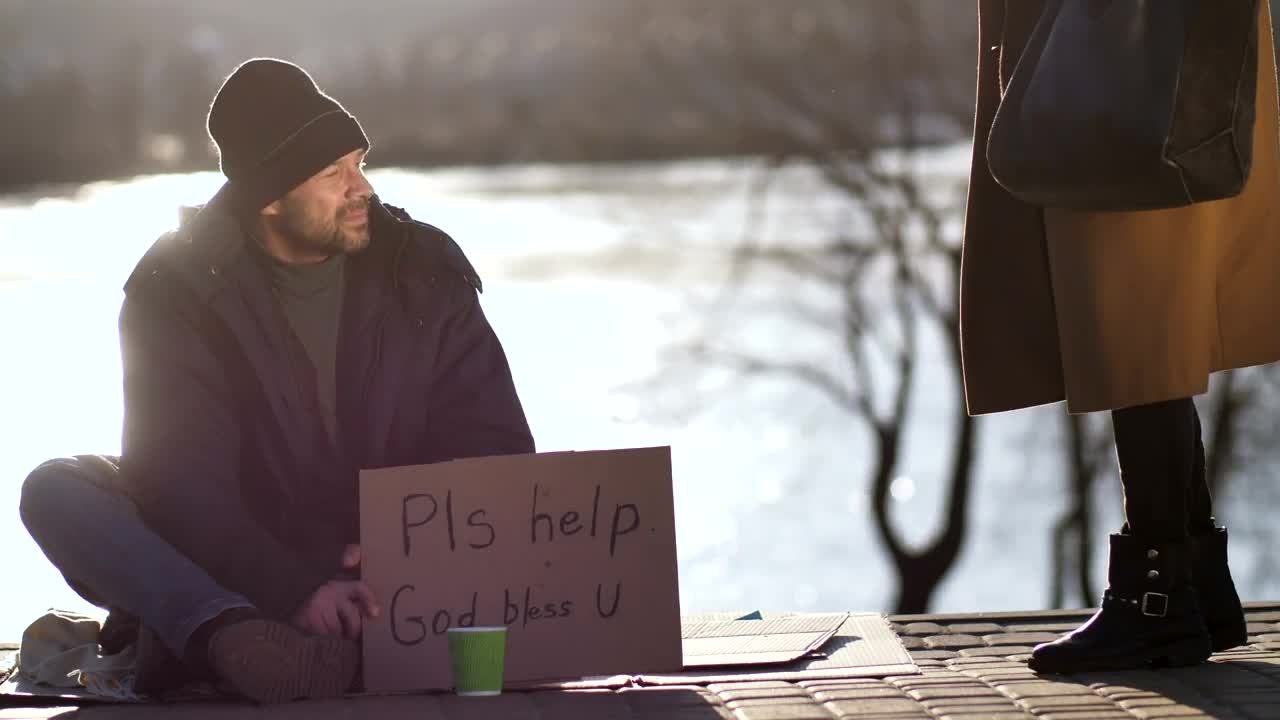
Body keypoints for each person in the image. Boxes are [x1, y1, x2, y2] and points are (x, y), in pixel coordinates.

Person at [18, 58, 535, 703]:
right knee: (56, 491)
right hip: (247, 552)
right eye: (333, 174)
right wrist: (293, 588)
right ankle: (229, 636)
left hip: (391, 558)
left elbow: (496, 443)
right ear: (269, 197)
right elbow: (179, 483)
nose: (362, 188)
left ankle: (223, 641)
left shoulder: (423, 268)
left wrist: (401, 550)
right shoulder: (174, 290)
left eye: (359, 163)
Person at [961, 1, 1280, 673]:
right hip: (1178, 47)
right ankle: (1189, 582)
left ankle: (1156, 602)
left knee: (1128, 313)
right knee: (1157, 311)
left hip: (1124, 46)